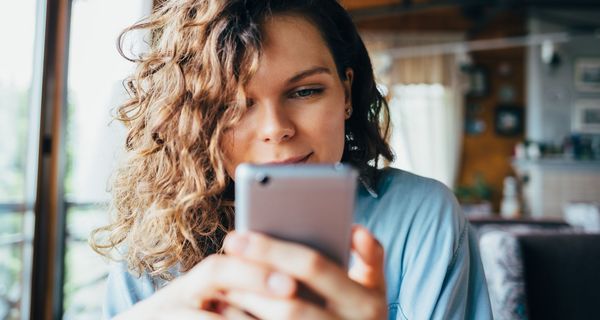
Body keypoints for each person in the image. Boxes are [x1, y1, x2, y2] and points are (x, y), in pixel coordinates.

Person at [91, 0, 492, 319]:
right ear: (197, 120)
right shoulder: (154, 242)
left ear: (346, 94)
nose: (275, 128)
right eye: (234, 105)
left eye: (305, 92)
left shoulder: (422, 216)